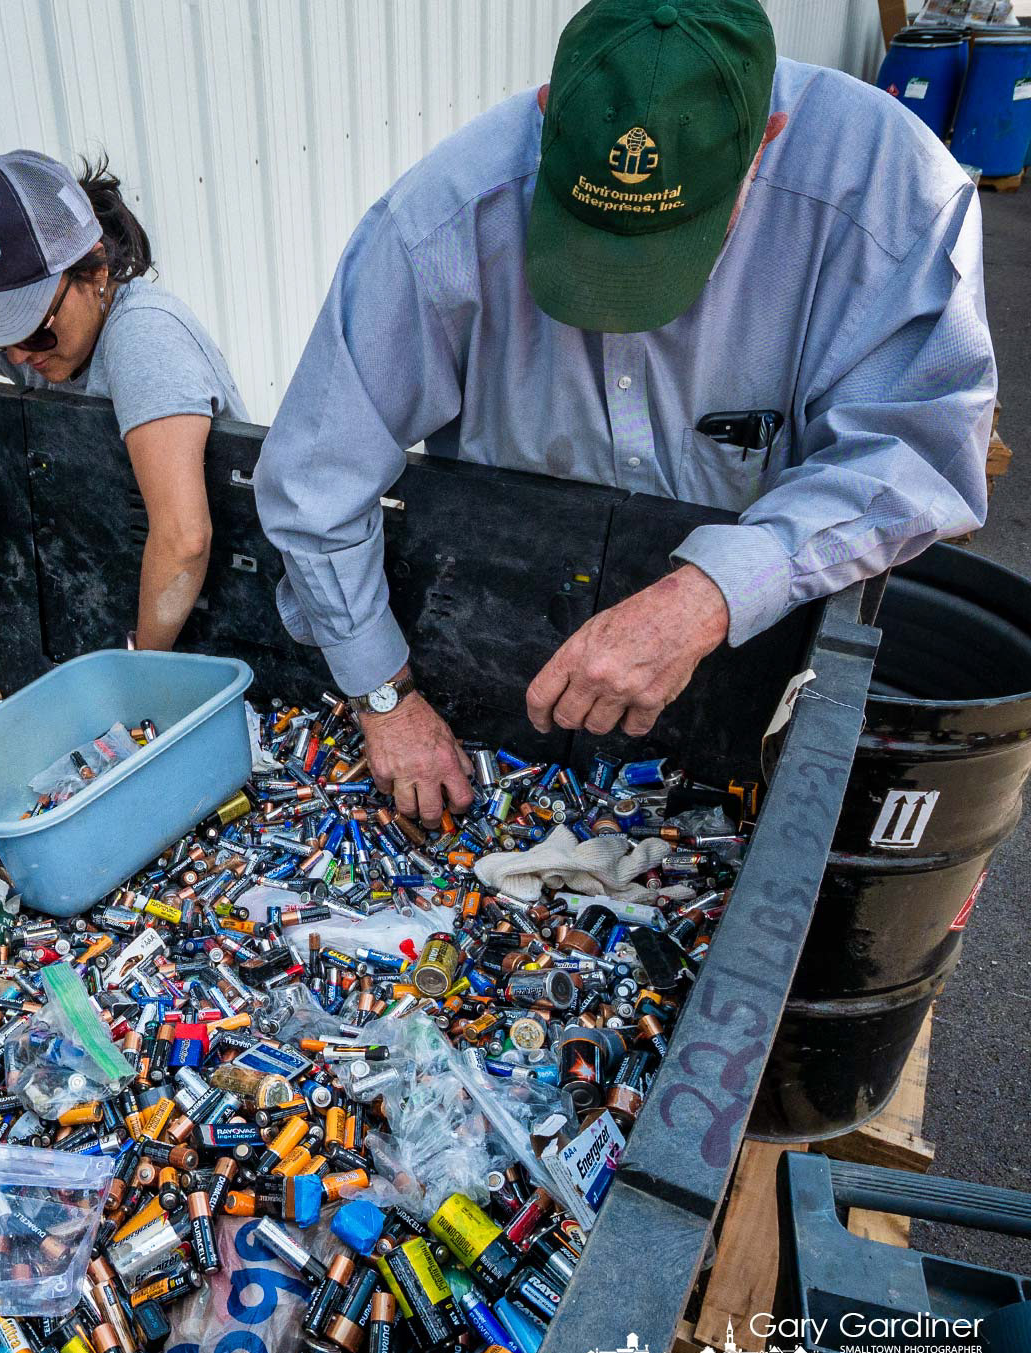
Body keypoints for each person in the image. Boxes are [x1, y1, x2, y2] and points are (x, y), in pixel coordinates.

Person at [254, 0, 994, 826]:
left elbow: (918, 444)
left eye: (670, 245)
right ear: (547, 113)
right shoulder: (446, 214)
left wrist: (714, 591)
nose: (625, 301)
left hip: (760, 638)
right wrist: (385, 698)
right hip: (508, 620)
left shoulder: (893, 194)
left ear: (768, 140)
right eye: (594, 242)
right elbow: (317, 475)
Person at [0, 151, 247, 651]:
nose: (11, 352)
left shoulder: (144, 338)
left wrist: (141, 670)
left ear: (95, 271)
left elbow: (184, 540)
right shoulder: (31, 335)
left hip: (211, 623)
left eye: (29, 328)